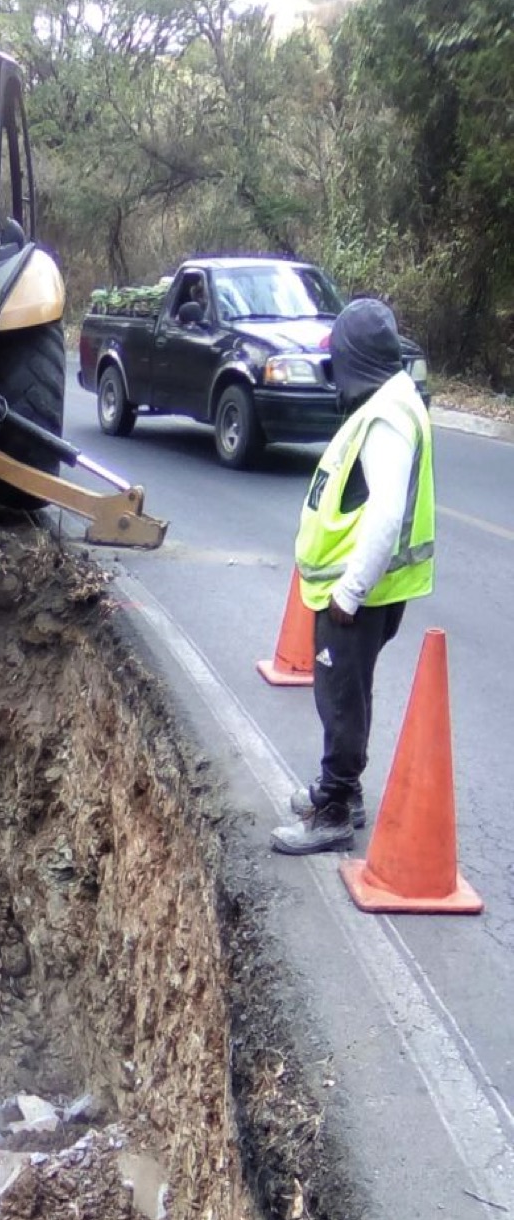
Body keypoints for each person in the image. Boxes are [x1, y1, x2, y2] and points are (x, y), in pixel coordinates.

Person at [271, 298, 435, 855]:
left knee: (341, 697)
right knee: (349, 691)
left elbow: (386, 511)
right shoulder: (389, 401)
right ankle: (342, 791)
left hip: (358, 593)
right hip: (365, 589)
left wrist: (350, 589)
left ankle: (336, 810)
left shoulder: (387, 416)